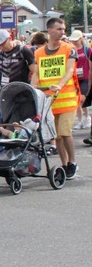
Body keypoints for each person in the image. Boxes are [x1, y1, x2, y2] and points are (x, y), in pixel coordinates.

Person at [31, 18, 79, 179]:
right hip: (49, 101)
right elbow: (36, 74)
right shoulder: (38, 52)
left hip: (67, 99)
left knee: (65, 132)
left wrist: (59, 85)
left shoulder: (69, 48)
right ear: (50, 30)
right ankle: (64, 164)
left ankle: (72, 162)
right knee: (56, 135)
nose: (62, 32)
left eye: (63, 29)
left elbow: (69, 70)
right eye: (59, 29)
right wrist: (33, 88)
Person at [68, 30, 91, 129]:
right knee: (76, 100)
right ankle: (81, 120)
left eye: (76, 40)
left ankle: (87, 117)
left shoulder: (87, 49)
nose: (74, 42)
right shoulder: (71, 50)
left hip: (85, 77)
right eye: (73, 40)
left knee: (82, 99)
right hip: (75, 78)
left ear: (81, 39)